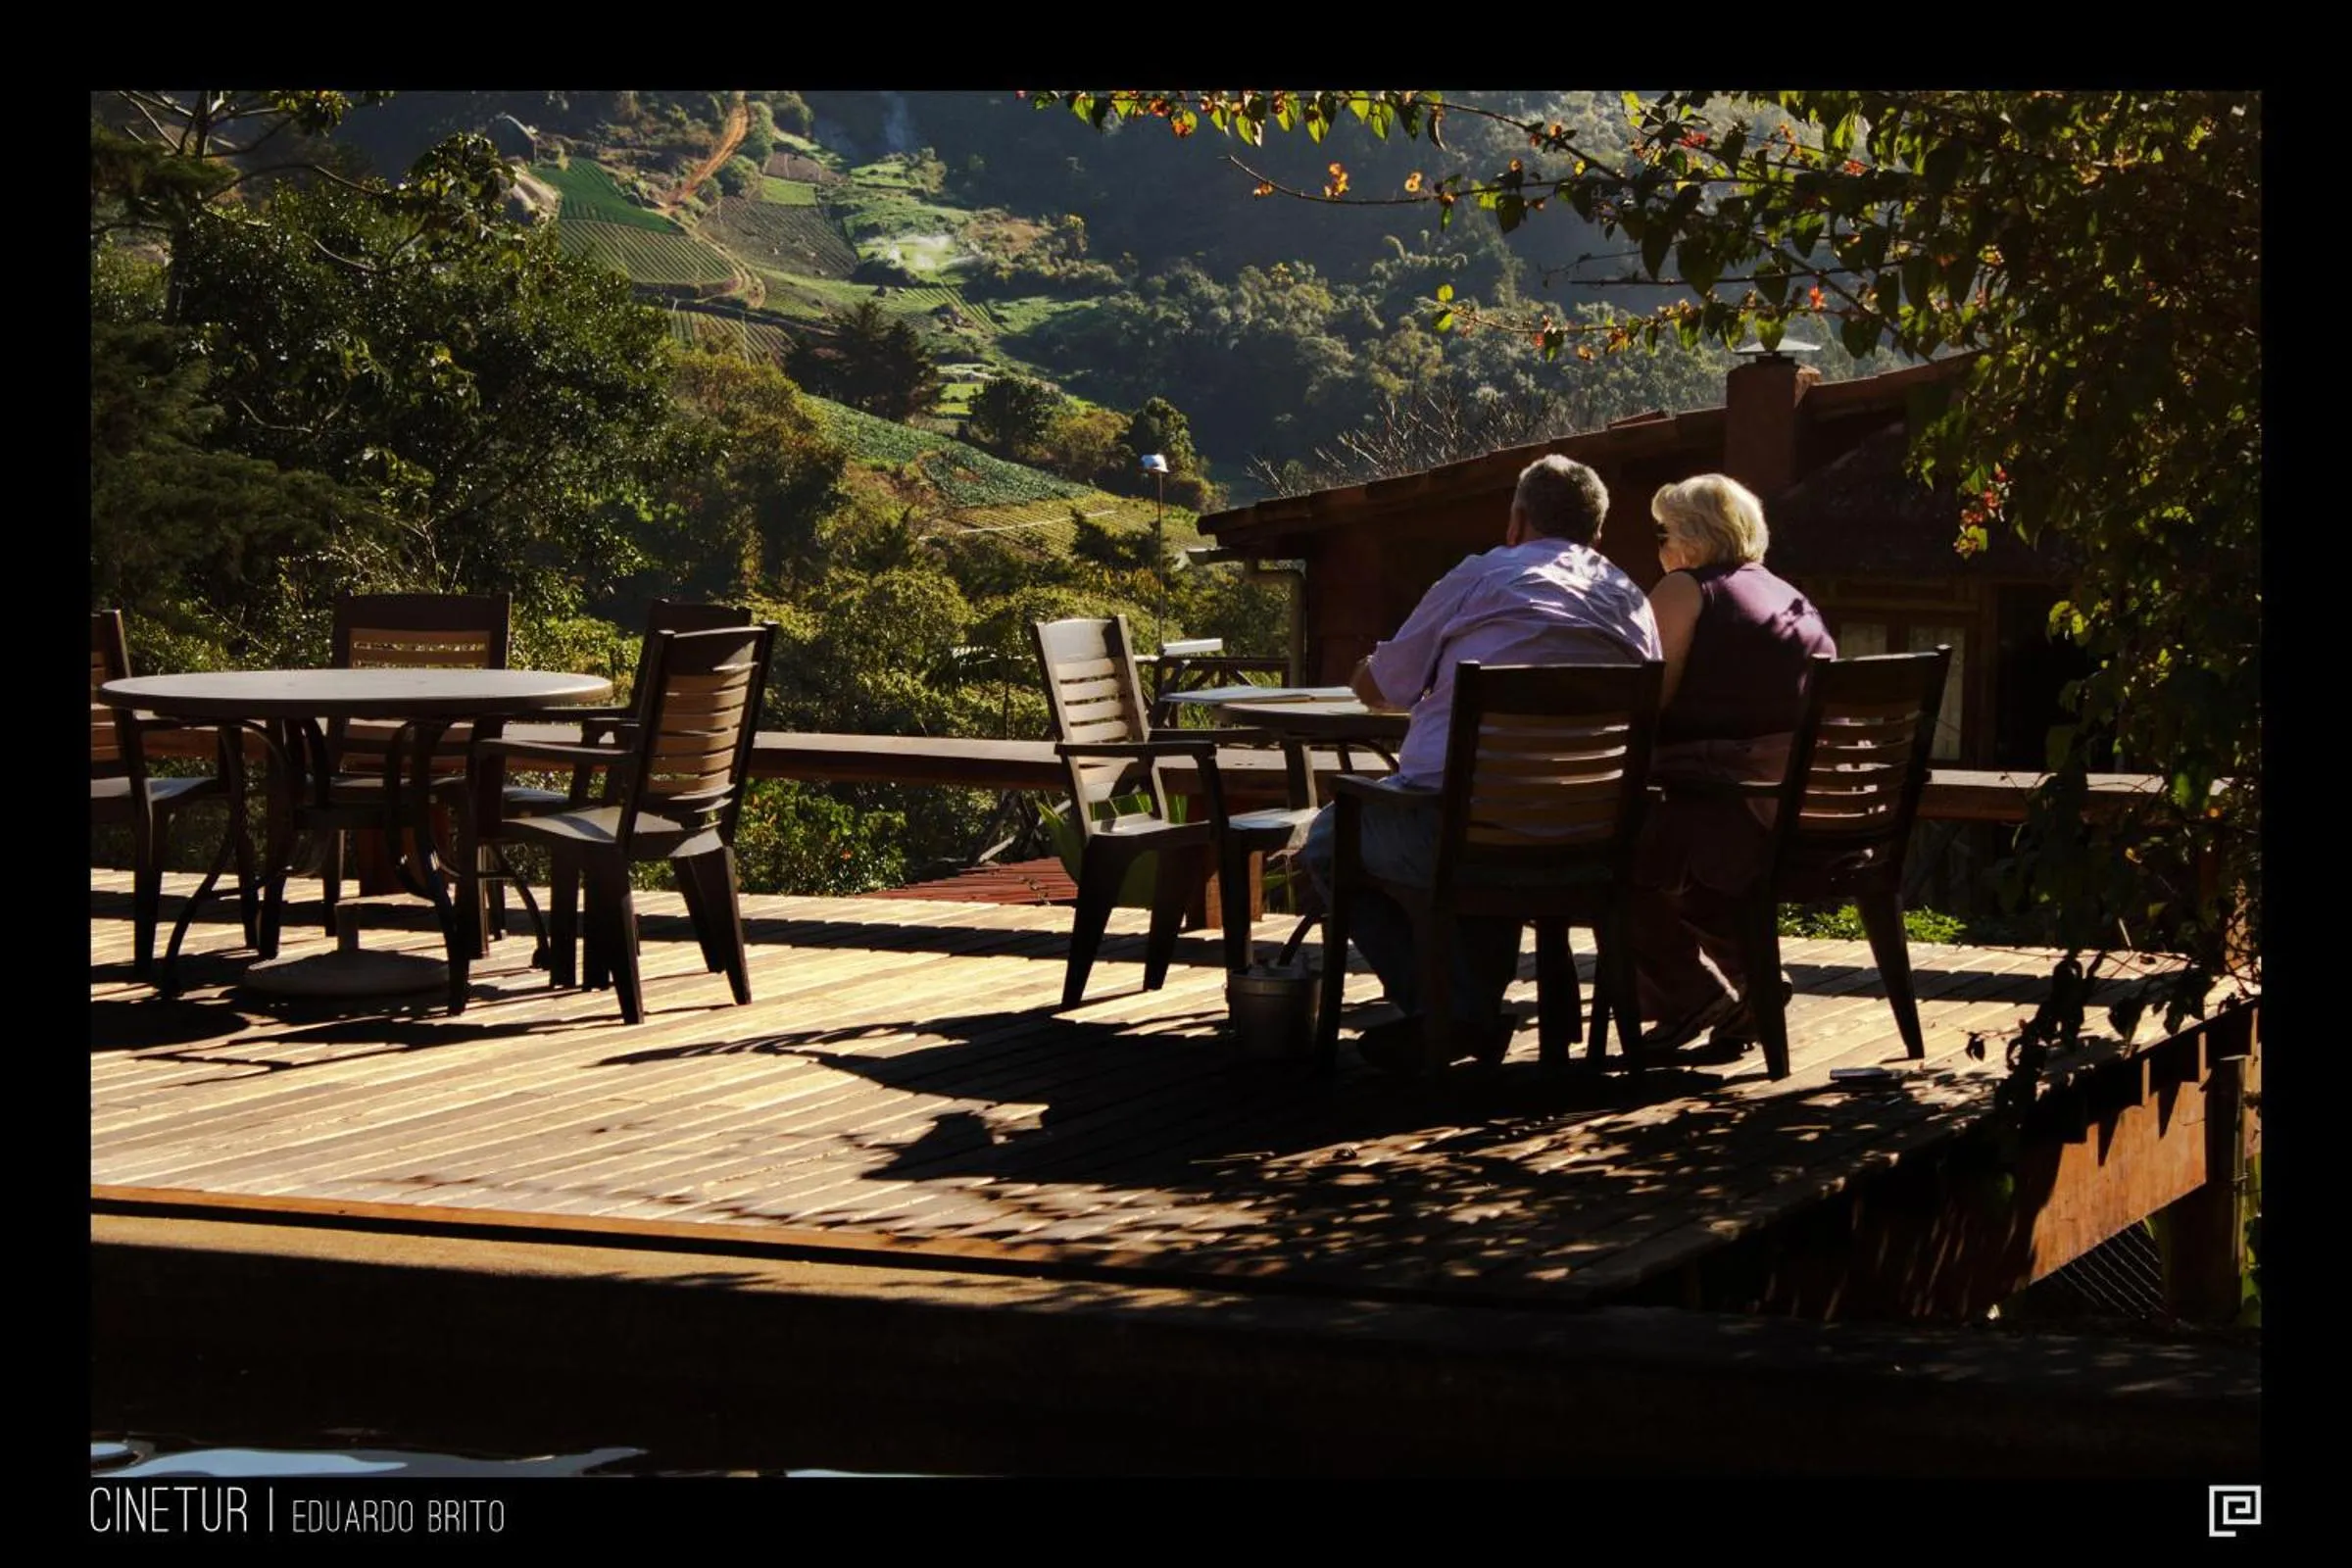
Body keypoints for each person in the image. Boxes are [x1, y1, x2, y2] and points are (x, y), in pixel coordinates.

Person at [1300, 455, 1662, 1072]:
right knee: (1471, 838)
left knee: (1332, 840)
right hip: (1590, 840)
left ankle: (1450, 1012)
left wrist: (1367, 671)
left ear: (1516, 520)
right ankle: (1465, 1011)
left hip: (1463, 834)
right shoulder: (1630, 599)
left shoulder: (1481, 578)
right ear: (1597, 533)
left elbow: (1384, 686)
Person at [1634, 473, 1838, 1054]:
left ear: (1690, 538)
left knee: (1602, 846)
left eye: (1663, 533)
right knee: (1671, 841)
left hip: (1735, 806)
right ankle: (1751, 982)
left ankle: (1692, 994)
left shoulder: (1685, 590)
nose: (1659, 547)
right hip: (1806, 808)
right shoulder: (1789, 597)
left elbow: (1644, 703)